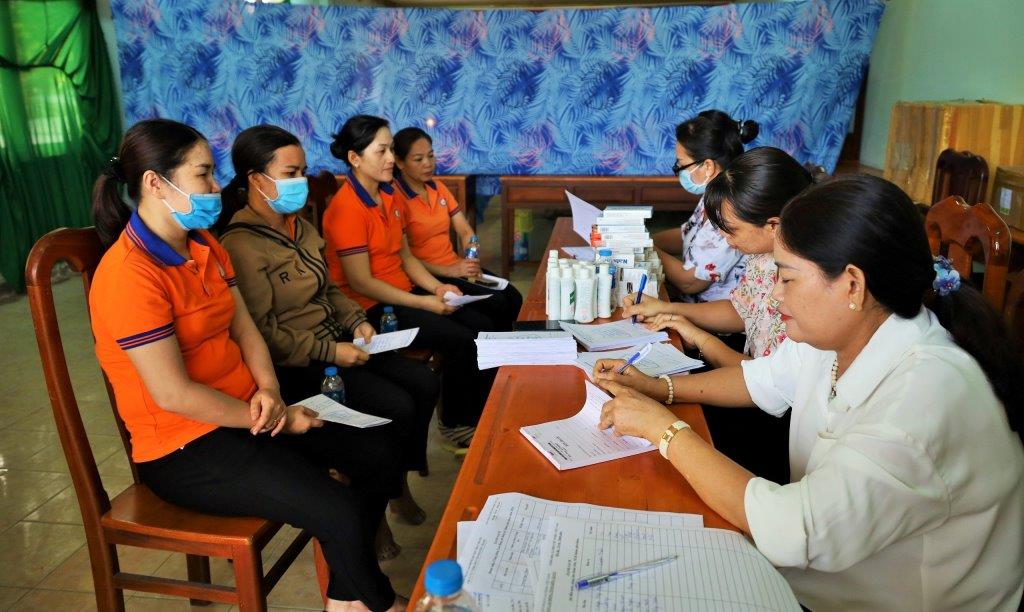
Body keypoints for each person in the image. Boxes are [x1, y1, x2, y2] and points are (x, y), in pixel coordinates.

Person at [593, 174, 1024, 610]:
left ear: (852, 285)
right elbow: (759, 379)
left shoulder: (925, 396)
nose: (774, 295)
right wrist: (657, 388)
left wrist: (666, 432)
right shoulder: (843, 336)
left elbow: (797, 529)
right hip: (828, 575)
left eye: (786, 278)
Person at [89, 118, 404, 611]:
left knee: (378, 454)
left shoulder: (204, 244)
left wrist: (270, 390)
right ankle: (380, 603)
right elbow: (173, 394)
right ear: (155, 183)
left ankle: (347, 601)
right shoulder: (129, 275)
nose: (216, 186)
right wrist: (278, 418)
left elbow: (245, 329)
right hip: (184, 445)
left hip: (247, 411)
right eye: (202, 174)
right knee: (337, 508)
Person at [217, 125, 440, 554]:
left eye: (303, 171)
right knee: (394, 405)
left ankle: (393, 484)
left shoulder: (299, 227)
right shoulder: (242, 244)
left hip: (337, 342)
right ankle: (377, 510)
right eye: (290, 173)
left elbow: (329, 289)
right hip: (298, 361)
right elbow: (262, 333)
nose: (300, 182)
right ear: (256, 180)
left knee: (423, 381)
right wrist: (330, 350)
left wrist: (356, 321)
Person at [624, 147, 814, 483]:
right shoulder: (763, 256)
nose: (725, 240)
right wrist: (671, 310)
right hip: (752, 379)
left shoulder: (802, 281)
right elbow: (742, 309)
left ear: (773, 226)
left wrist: (696, 344)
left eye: (731, 230)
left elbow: (763, 381)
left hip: (774, 418)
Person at [321, 115, 495, 450]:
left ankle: (478, 412)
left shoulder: (387, 195)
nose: (391, 159)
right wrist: (423, 302)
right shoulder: (346, 209)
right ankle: (455, 425)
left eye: (391, 149)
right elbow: (362, 282)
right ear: (355, 158)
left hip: (402, 293)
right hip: (370, 310)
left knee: (481, 323)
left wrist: (436, 288)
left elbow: (406, 257)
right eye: (382, 151)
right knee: (462, 339)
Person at [391, 126, 522, 331]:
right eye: (418, 159)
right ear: (399, 162)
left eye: (431, 156)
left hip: (456, 267)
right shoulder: (395, 199)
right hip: (430, 276)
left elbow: (466, 232)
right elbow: (406, 259)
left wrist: (471, 259)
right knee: (497, 305)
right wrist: (451, 271)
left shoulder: (438, 188)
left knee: (514, 296)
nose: (428, 163)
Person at [652, 110, 756, 302]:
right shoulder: (712, 194)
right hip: (688, 302)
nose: (678, 170)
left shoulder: (731, 212)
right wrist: (644, 240)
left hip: (713, 312)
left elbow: (689, 282)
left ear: (708, 166)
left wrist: (647, 249)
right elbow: (686, 234)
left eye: (681, 165)